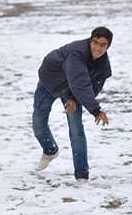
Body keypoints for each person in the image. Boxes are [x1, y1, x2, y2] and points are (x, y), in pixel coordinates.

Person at [32, 26, 113, 183]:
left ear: (108, 46)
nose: (98, 48)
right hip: (50, 82)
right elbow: (80, 82)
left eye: (103, 45)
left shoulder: (103, 64)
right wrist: (96, 110)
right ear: (90, 41)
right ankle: (50, 151)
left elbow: (94, 86)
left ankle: (82, 175)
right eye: (95, 43)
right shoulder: (76, 53)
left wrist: (74, 100)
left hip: (72, 90)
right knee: (38, 125)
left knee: (77, 130)